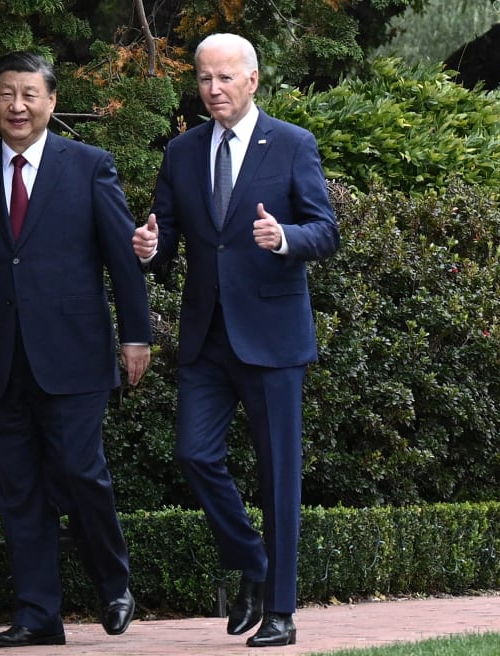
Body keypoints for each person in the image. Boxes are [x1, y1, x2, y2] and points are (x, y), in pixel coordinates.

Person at [0, 51, 152, 648]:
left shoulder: (89, 166)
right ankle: (38, 616)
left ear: (52, 102)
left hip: (76, 355)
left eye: (30, 94)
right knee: (18, 489)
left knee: (82, 472)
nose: (18, 106)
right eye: (7, 94)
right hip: (4, 360)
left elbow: (122, 257)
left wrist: (137, 334)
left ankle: (114, 584)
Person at [132, 33, 339, 648]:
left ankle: (281, 612)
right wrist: (150, 248)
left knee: (279, 475)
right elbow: (165, 234)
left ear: (253, 80)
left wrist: (284, 239)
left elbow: (324, 229)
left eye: (225, 78)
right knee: (193, 454)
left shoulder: (293, 144)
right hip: (207, 338)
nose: (213, 89)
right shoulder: (181, 152)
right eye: (203, 79)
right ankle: (254, 560)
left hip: (273, 335)